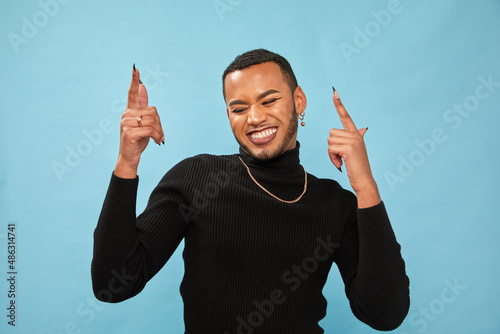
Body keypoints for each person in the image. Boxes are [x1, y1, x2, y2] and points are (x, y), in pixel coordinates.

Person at [91, 49, 410, 333]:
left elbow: (385, 315)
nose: (255, 118)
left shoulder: (334, 203)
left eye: (269, 100)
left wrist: (365, 186)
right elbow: (114, 284)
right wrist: (127, 162)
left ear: (298, 100)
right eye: (238, 108)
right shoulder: (197, 178)